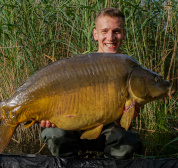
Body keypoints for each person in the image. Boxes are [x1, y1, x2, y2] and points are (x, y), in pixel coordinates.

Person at [40, 7, 143, 159]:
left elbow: (123, 124)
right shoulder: (79, 66)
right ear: (95, 34)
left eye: (116, 31)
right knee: (53, 133)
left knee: (127, 141)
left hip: (108, 133)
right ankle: (72, 162)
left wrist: (126, 115)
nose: (110, 37)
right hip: (73, 128)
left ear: (124, 34)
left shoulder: (130, 70)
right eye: (104, 31)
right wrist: (47, 115)